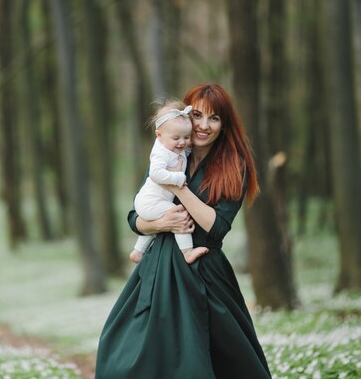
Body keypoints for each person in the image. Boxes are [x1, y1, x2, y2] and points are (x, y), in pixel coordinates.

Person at [95, 83, 273, 379]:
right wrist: (159, 224)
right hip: (157, 268)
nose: (203, 126)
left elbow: (216, 228)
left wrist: (179, 187)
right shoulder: (171, 149)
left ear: (224, 124)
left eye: (214, 118)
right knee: (126, 356)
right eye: (198, 116)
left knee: (210, 361)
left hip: (204, 270)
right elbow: (134, 217)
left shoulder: (234, 166)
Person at [130, 99, 209, 264]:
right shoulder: (161, 153)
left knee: (157, 224)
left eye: (186, 137)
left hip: (150, 201)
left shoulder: (170, 145)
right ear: (159, 135)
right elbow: (156, 173)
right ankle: (187, 252)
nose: (182, 142)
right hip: (150, 201)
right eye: (176, 138)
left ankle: (138, 251)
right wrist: (178, 178)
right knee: (179, 216)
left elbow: (183, 152)